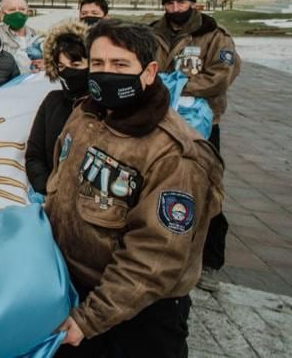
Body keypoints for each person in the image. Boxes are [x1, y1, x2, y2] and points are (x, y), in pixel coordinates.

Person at [47, 19, 224, 357]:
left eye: (120, 64)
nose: (105, 73)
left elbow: (153, 260)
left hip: (136, 318)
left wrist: (88, 320)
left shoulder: (175, 153)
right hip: (74, 294)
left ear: (149, 72)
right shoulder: (85, 118)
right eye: (98, 64)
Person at [151, 0, 240, 292]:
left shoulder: (214, 35)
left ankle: (211, 260)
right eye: (170, 3)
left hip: (201, 126)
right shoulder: (152, 33)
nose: (176, 8)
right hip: (161, 122)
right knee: (164, 187)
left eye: (182, 2)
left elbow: (221, 75)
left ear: (192, 3)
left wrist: (176, 85)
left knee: (205, 189)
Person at [25, 20, 89, 194]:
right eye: (61, 66)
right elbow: (34, 155)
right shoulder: (52, 102)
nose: (68, 72)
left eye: (76, 65)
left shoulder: (104, 106)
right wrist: (48, 188)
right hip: (51, 197)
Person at [0, 0, 44, 72]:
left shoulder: (37, 35)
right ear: (2, 14)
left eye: (22, 9)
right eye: (12, 10)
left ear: (27, 12)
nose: (18, 13)